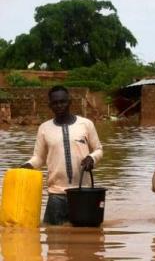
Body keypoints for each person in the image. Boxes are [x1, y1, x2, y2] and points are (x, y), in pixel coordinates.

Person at [21, 85, 103, 225]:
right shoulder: (44, 128)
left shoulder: (86, 124)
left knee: (85, 242)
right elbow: (39, 157)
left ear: (69, 102)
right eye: (55, 103)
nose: (59, 105)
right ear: (50, 105)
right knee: (53, 238)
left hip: (83, 193)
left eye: (62, 101)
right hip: (56, 194)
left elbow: (99, 149)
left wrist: (91, 158)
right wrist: (28, 165)